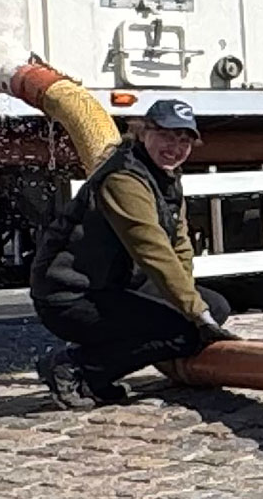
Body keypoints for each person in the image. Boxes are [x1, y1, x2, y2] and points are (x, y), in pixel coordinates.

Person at [29, 92, 235, 408]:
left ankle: (101, 366)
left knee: (215, 307)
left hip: (115, 285)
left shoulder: (165, 177)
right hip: (71, 293)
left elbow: (178, 243)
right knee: (181, 328)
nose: (175, 147)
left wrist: (194, 303)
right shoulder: (123, 177)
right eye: (165, 135)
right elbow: (152, 249)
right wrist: (193, 313)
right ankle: (74, 367)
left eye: (184, 140)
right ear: (142, 132)